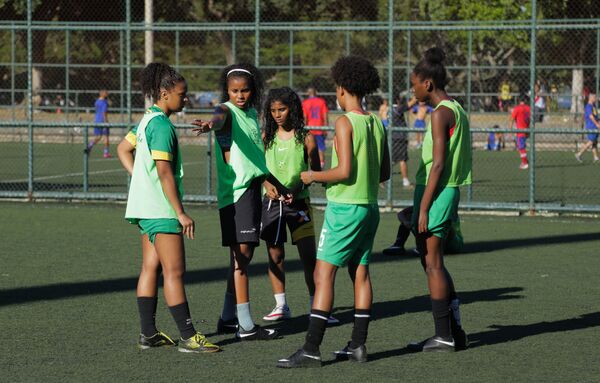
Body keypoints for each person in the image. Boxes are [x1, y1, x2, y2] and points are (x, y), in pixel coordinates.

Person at [277, 55, 390, 368]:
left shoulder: (344, 122)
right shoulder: (376, 123)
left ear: (341, 89)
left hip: (345, 210)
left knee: (322, 274)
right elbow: (384, 172)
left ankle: (311, 349)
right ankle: (358, 345)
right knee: (361, 273)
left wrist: (313, 176)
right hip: (369, 208)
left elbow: (343, 171)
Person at [116, 63, 220, 353]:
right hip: (161, 210)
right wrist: (181, 212)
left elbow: (123, 149)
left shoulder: (147, 120)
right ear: (164, 93)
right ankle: (189, 337)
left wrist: (140, 179)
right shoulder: (161, 126)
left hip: (144, 209)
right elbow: (164, 173)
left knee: (150, 267)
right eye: (181, 94)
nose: (185, 99)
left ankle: (148, 334)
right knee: (174, 271)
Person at [192, 63, 289, 341]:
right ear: (227, 91)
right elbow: (219, 118)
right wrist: (211, 124)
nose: (240, 95)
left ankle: (227, 317)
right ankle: (246, 326)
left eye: (244, 90)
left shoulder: (250, 116)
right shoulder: (225, 110)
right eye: (234, 91)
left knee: (242, 256)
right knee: (241, 258)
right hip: (236, 194)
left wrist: (273, 183)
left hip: (250, 191)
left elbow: (255, 160)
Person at [406, 47, 471, 353]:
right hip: (443, 191)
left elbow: (440, 164)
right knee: (434, 263)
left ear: (427, 84)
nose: (413, 89)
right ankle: (454, 331)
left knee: (433, 264)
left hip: (438, 192)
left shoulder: (439, 114)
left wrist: (423, 208)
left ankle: (443, 335)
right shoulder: (457, 109)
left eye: (414, 84)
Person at [260, 87, 338, 325]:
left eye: (281, 109)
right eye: (273, 110)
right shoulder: (266, 138)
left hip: (299, 204)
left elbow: (313, 171)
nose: (277, 114)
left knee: (308, 257)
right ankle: (281, 305)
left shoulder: (306, 137)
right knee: (275, 254)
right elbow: (260, 169)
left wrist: (298, 188)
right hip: (272, 203)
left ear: (291, 109)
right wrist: (266, 183)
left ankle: (318, 306)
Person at [382, 206, 464, 256]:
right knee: (411, 216)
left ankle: (431, 249)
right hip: (432, 234)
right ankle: (398, 245)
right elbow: (401, 214)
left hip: (453, 244)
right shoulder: (424, 204)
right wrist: (406, 223)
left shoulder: (444, 206)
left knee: (442, 224)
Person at [390, 95, 417, 188]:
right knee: (402, 159)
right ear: (397, 100)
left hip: (394, 138)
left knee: (393, 160)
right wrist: (415, 95)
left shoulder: (390, 109)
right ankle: (405, 181)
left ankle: (380, 179)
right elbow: (410, 104)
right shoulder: (396, 109)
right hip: (399, 138)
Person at [302, 86, 329, 169]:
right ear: (316, 92)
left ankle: (307, 168)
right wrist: (325, 127)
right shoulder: (321, 102)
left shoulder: (305, 102)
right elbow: (325, 115)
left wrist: (304, 127)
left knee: (307, 149)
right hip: (319, 128)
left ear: (308, 93)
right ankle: (321, 167)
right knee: (320, 149)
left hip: (309, 129)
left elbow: (305, 117)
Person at [85, 89, 111, 158]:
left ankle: (90, 145)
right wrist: (106, 122)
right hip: (103, 121)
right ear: (102, 94)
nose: (107, 93)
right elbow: (104, 112)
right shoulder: (104, 102)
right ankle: (106, 152)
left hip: (97, 120)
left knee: (98, 137)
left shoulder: (97, 101)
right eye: (106, 93)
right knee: (106, 137)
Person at [575, 91, 600, 163]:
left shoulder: (594, 106)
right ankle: (579, 154)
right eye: (594, 97)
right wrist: (597, 124)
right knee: (591, 141)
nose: (596, 98)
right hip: (591, 126)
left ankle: (595, 157)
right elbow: (591, 117)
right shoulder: (588, 106)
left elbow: (595, 116)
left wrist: (598, 122)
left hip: (595, 126)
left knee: (594, 141)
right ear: (591, 98)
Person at [509, 93, 531, 170]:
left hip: (520, 131)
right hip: (527, 129)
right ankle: (525, 161)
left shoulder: (517, 108)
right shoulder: (529, 108)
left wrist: (510, 130)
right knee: (521, 146)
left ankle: (525, 163)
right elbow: (531, 120)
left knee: (521, 147)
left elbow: (511, 119)